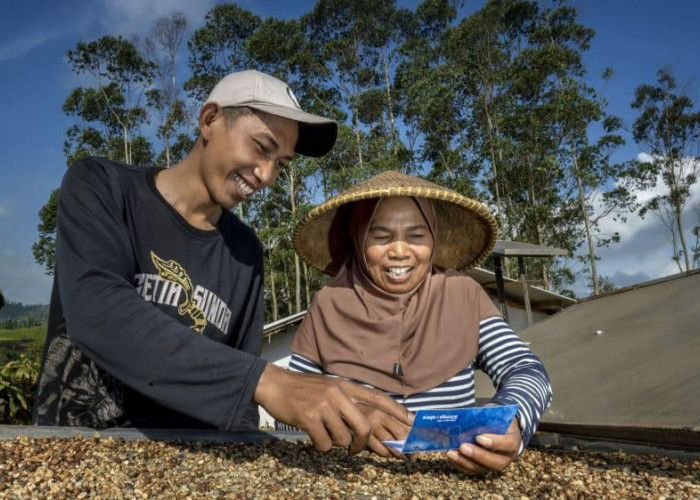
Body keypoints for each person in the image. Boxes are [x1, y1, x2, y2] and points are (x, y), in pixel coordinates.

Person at [32, 70, 411, 454]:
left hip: (180, 464)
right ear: (210, 119)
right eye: (262, 147)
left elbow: (237, 387)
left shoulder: (245, 253)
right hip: (74, 450)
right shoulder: (102, 186)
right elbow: (98, 310)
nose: (265, 176)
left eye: (280, 163)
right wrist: (268, 381)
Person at [289, 171, 553, 474]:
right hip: (349, 475)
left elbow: (525, 368)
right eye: (381, 236)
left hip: (453, 472)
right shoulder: (329, 303)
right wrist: (350, 418)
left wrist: (509, 420)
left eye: (416, 236)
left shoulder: (461, 294)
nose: (400, 251)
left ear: (433, 239)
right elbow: (294, 401)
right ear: (359, 238)